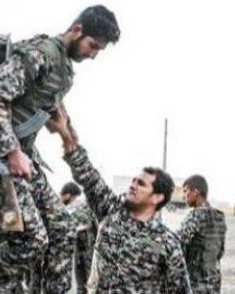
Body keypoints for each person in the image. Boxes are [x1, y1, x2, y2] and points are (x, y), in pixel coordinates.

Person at [0, 5, 121, 294]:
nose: (93, 55)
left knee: (63, 230)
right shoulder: (39, 54)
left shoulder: (63, 68)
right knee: (30, 241)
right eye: (93, 46)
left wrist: (67, 134)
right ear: (77, 30)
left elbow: (44, 105)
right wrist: (11, 151)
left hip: (23, 161)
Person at [48, 107, 192, 293]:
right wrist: (65, 133)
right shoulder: (111, 210)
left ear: (157, 197)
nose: (133, 185)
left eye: (141, 184)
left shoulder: (167, 243)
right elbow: (87, 174)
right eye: (133, 181)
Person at [177, 175, 227, 293]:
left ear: (195, 192)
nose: (183, 196)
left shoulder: (196, 216)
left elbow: (174, 244)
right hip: (214, 283)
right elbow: (220, 251)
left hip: (196, 285)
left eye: (185, 191)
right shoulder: (219, 216)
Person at [60, 181, 98, 294]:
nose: (60, 198)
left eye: (62, 195)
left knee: (88, 284)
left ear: (68, 195)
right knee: (82, 284)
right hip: (81, 251)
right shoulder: (74, 208)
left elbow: (84, 227)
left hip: (88, 251)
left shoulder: (82, 207)